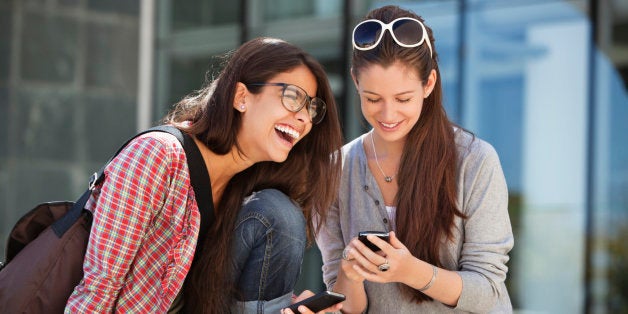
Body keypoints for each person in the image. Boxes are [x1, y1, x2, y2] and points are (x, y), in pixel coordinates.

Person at [65, 37, 344, 313]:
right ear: (241, 97)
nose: (305, 118)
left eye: (311, 108)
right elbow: (97, 290)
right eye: (293, 97)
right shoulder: (158, 155)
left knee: (278, 214)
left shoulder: (247, 193)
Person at [315, 5, 514, 313]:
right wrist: (348, 273)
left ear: (429, 84)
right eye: (372, 99)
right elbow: (344, 305)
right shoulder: (334, 171)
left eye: (403, 99)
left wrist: (410, 271)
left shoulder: (475, 161)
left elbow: (488, 290)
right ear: (355, 82)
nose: (388, 114)